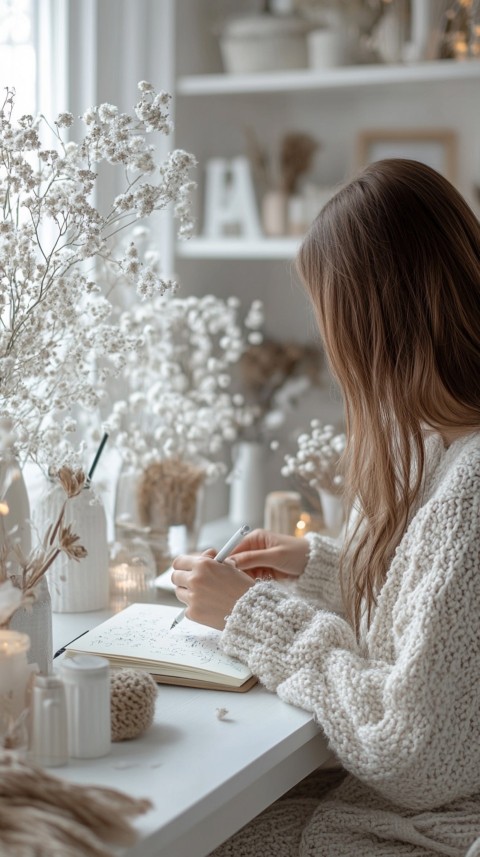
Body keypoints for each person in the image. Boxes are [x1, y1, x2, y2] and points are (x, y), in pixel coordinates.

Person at [171, 158, 480, 857]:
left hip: (425, 829)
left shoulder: (472, 486)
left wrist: (251, 616)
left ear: (375, 323)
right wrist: (319, 565)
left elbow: (411, 751)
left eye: (329, 316)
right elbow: (446, 624)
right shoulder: (444, 438)